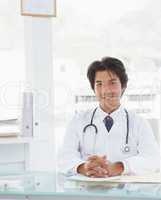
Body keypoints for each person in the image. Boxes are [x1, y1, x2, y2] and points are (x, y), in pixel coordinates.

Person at [59, 57, 160, 178]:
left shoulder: (139, 122)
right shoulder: (78, 121)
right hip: (87, 192)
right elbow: (64, 157)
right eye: (99, 84)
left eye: (112, 83)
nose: (106, 90)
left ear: (123, 86)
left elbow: (153, 159)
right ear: (93, 89)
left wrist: (118, 167)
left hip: (127, 194)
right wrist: (84, 167)